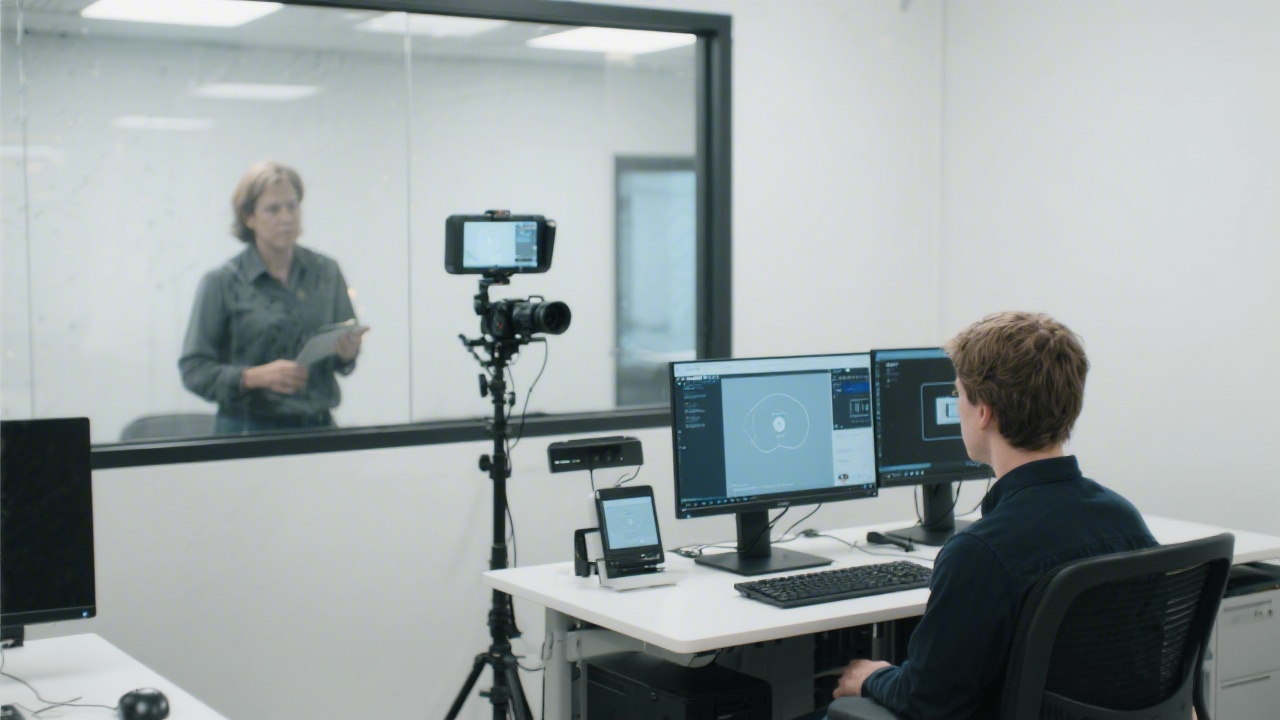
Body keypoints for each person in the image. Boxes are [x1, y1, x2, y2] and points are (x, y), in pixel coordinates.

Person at [826, 312, 1158, 720]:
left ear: (983, 412)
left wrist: (875, 677)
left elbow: (929, 704)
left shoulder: (981, 553)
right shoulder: (1126, 520)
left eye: (958, 396)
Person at [180, 160, 367, 434]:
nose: (286, 217)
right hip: (248, 431)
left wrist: (348, 352)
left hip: (318, 429)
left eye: (292, 206)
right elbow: (194, 370)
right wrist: (253, 377)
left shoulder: (326, 272)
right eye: (273, 209)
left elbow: (342, 360)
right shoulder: (221, 282)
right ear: (248, 217)